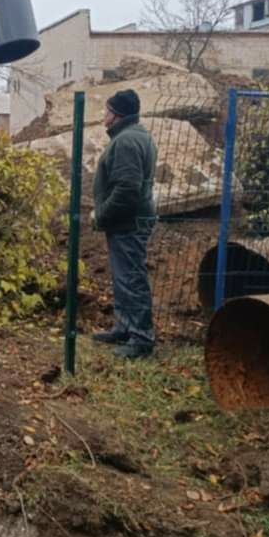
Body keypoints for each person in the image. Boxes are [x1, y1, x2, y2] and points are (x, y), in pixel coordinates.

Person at [91, 89, 159, 359]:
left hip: (128, 221)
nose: (104, 115)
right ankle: (125, 327)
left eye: (107, 110)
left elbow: (126, 190)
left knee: (131, 278)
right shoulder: (133, 135)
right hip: (128, 221)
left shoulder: (127, 141)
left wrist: (101, 215)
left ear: (117, 114)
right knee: (124, 276)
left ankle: (141, 338)